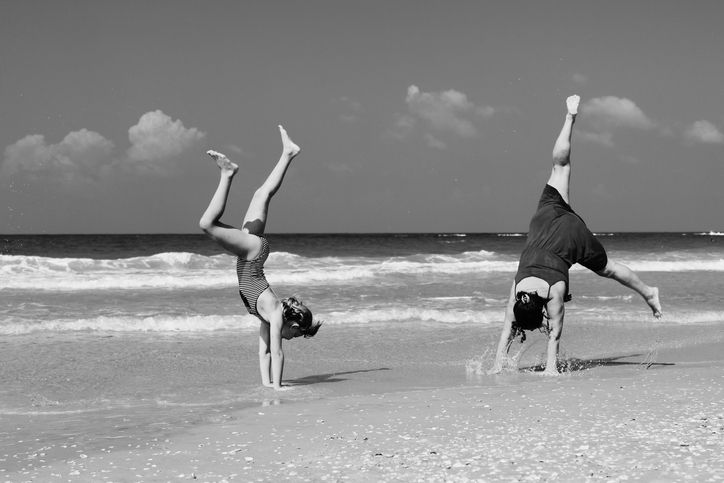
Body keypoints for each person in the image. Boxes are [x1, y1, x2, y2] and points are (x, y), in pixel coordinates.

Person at [489, 95, 662, 376]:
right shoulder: (517, 290)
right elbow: (510, 322)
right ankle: (570, 117)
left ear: (540, 312)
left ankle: (649, 292)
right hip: (548, 217)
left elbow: (553, 337)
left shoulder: (554, 293)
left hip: (573, 238)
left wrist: (543, 369)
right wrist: (498, 364)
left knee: (609, 269)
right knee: (561, 167)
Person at [199, 125, 321, 390]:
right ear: (294, 324)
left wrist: (267, 386)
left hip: (252, 253)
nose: (288, 339)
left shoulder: (266, 317)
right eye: (294, 335)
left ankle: (288, 153)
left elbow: (264, 352)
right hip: (252, 255)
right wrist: (280, 388)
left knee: (260, 194)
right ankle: (228, 174)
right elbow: (277, 353)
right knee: (207, 224)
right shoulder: (275, 313)